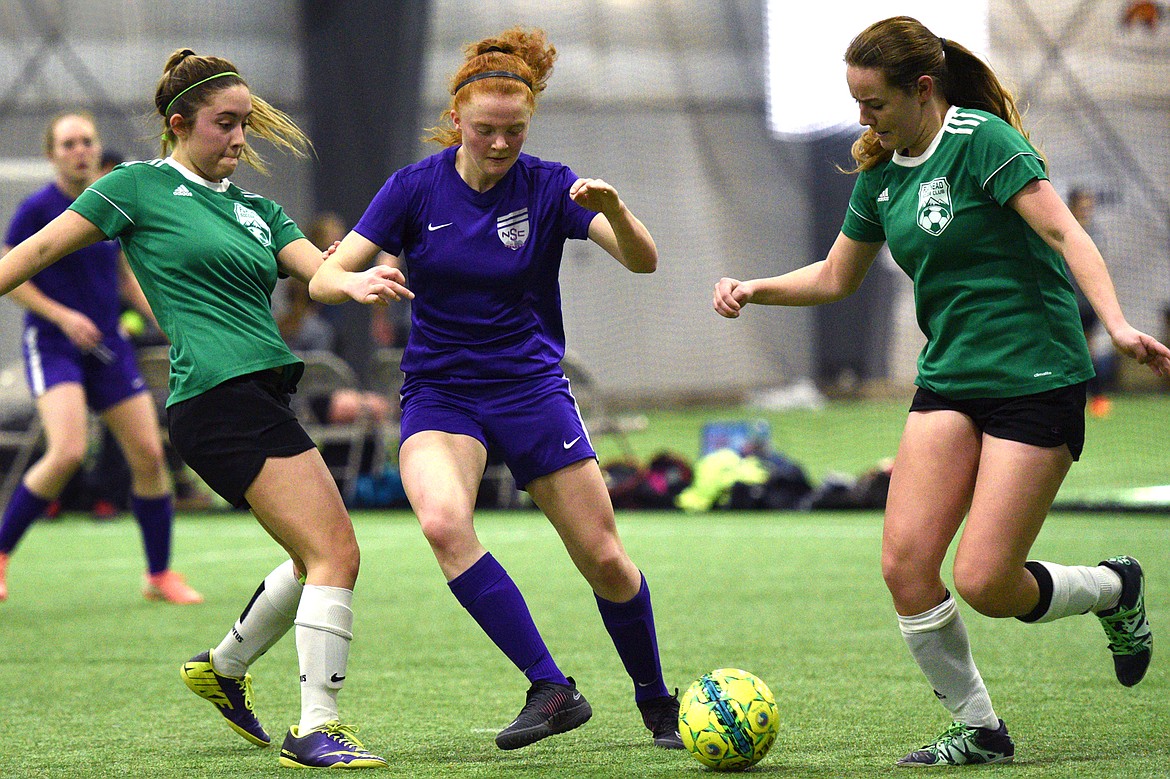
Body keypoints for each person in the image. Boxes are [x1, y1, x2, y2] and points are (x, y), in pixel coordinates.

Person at [713, 16, 1169, 767]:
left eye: (875, 103)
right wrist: (755, 288)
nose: (862, 120)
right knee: (905, 565)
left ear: (922, 90)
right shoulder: (881, 169)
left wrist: (1115, 324)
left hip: (1036, 375)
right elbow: (836, 274)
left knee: (986, 580)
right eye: (855, 102)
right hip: (950, 379)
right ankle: (980, 729)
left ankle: (1114, 589)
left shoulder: (983, 142)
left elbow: (1065, 234)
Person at [0, 50, 386, 769]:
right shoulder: (137, 188)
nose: (240, 139)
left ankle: (222, 668)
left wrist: (356, 277)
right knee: (336, 553)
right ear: (179, 124)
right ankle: (315, 728)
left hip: (260, 395)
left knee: (314, 559)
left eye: (246, 125)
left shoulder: (259, 209)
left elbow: (319, 276)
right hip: (214, 398)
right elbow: (36, 250)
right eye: (225, 124)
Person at [310, 27, 683, 751]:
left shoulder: (550, 184)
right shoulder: (413, 188)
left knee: (604, 557)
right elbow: (324, 275)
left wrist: (614, 210)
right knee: (445, 523)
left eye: (514, 129)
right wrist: (354, 281)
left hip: (532, 389)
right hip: (441, 393)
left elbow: (644, 261)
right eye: (485, 129)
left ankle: (655, 698)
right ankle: (551, 686)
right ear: (457, 120)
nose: (500, 143)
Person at [0, 112, 202, 605]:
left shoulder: (111, 205)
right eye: (69, 143)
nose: (80, 150)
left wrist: (171, 325)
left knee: (151, 456)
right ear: (52, 154)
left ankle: (158, 576)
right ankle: (1, 554)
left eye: (87, 141)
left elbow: (128, 278)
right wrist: (63, 316)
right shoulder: (35, 210)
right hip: (53, 346)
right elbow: (11, 275)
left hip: (109, 348)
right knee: (68, 451)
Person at [1066, 187, 1119, 417]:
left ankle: (1098, 397)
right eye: (1083, 205)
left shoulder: (1095, 234)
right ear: (1073, 206)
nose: (1087, 209)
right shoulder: (1061, 229)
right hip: (1067, 303)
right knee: (1069, 351)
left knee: (1088, 351)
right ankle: (1070, 399)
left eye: (1090, 205)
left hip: (1087, 305)